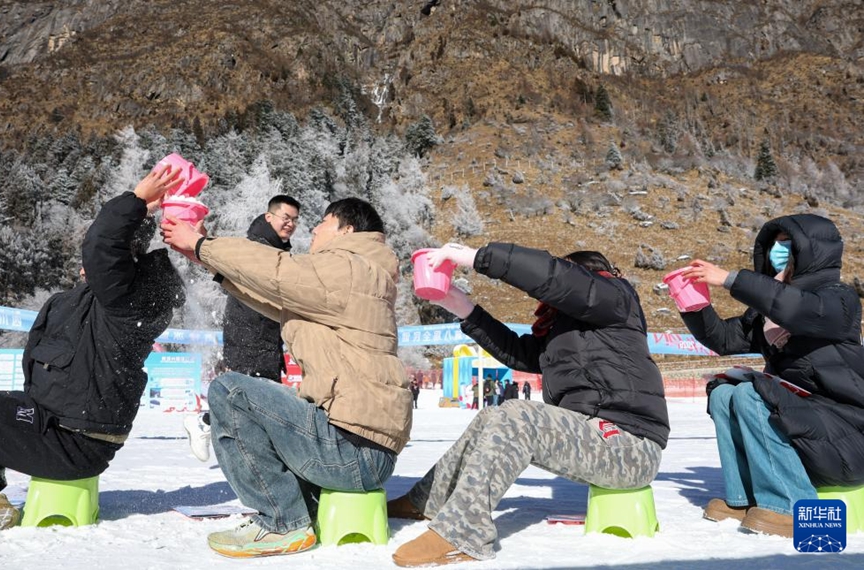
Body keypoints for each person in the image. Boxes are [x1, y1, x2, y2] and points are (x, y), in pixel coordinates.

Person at [388, 244, 670, 566]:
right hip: (592, 434)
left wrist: (477, 257)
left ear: (585, 277)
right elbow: (519, 353)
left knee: (517, 416)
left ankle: (464, 532)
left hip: (630, 445)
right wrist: (464, 307)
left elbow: (557, 278)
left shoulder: (616, 297)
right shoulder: (565, 331)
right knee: (492, 415)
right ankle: (427, 501)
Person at [162, 197, 412, 558]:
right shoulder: (362, 274)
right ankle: (292, 510)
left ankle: (282, 522)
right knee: (266, 395)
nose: (313, 228)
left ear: (347, 229)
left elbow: (278, 271)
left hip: (349, 450)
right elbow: (276, 298)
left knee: (230, 391)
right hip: (362, 449)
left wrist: (202, 244)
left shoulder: (350, 268)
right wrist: (208, 261)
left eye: (323, 221)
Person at [0, 166, 186, 534]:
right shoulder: (78, 302)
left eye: (95, 247)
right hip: (55, 425)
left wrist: (137, 201)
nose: (87, 254)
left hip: (72, 439)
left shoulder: (128, 300)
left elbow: (103, 247)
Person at [677, 213, 864, 538]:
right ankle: (744, 497)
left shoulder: (839, 299)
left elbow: (798, 309)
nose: (778, 253)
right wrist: (693, 305)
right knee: (724, 393)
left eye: (786, 246)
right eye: (774, 246)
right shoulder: (767, 314)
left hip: (849, 432)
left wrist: (732, 279)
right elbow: (723, 338)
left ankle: (790, 504)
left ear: (810, 252)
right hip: (808, 424)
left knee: (754, 393)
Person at [183, 195, 300, 462]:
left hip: (265, 336)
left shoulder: (276, 248)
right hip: (249, 334)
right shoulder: (257, 246)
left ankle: (216, 430)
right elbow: (227, 260)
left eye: (294, 220)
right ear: (269, 217)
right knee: (253, 398)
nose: (290, 224)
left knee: (257, 400)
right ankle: (204, 424)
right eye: (286, 217)